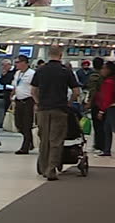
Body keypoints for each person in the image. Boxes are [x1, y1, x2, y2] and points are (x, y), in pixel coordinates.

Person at [31, 46, 81, 180]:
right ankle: (51, 170)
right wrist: (69, 102)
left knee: (44, 140)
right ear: (60, 55)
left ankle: (42, 167)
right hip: (59, 109)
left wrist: (38, 102)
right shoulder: (66, 71)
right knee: (56, 141)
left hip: (43, 110)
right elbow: (76, 92)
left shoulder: (41, 70)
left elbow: (33, 91)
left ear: (49, 55)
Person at [11, 55, 36, 154]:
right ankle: (30, 141)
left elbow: (36, 88)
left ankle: (25, 147)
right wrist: (13, 94)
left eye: (17, 62)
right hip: (18, 100)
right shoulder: (17, 73)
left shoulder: (32, 74)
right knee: (18, 124)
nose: (16, 64)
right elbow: (16, 85)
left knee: (27, 124)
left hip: (28, 101)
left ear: (24, 63)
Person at [84, 57, 105, 154]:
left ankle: (99, 145)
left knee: (97, 125)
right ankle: (104, 145)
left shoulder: (94, 76)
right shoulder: (105, 75)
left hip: (96, 103)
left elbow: (93, 91)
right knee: (104, 125)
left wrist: (89, 102)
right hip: (105, 102)